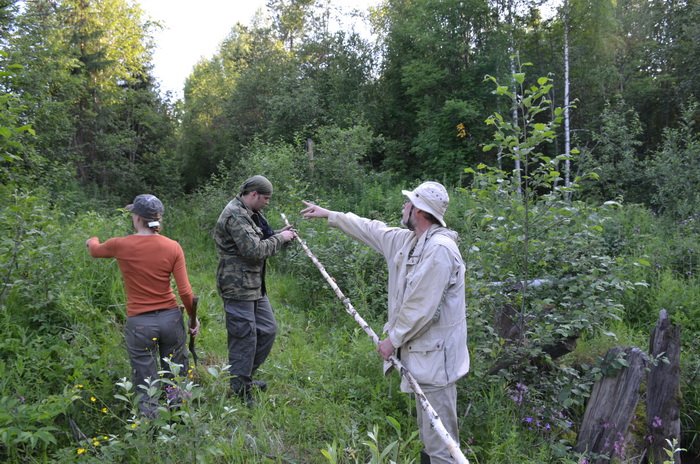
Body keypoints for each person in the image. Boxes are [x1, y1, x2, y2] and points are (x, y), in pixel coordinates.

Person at [301, 181, 469, 464]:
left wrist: (393, 340)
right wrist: (329, 215)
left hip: (438, 363)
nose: (403, 206)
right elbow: (371, 228)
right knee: (430, 436)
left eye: (408, 203)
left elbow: (421, 306)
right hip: (424, 359)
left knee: (442, 442)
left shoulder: (440, 249)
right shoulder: (409, 241)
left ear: (419, 211)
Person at [86, 194, 200, 418]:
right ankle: (178, 417)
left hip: (140, 324)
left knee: (145, 377)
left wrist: (92, 239)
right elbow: (185, 292)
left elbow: (94, 250)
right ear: (158, 219)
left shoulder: (120, 245)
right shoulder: (173, 247)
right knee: (175, 370)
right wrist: (193, 319)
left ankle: (149, 423)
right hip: (170, 320)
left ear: (137, 218)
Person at [213, 175, 296, 405]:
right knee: (244, 338)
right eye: (265, 198)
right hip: (237, 286)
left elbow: (259, 239)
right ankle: (240, 389)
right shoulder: (235, 215)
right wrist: (281, 238)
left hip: (254, 285)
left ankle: (244, 378)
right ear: (253, 195)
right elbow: (254, 250)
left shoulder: (249, 213)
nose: (267, 203)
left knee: (267, 330)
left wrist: (280, 234)